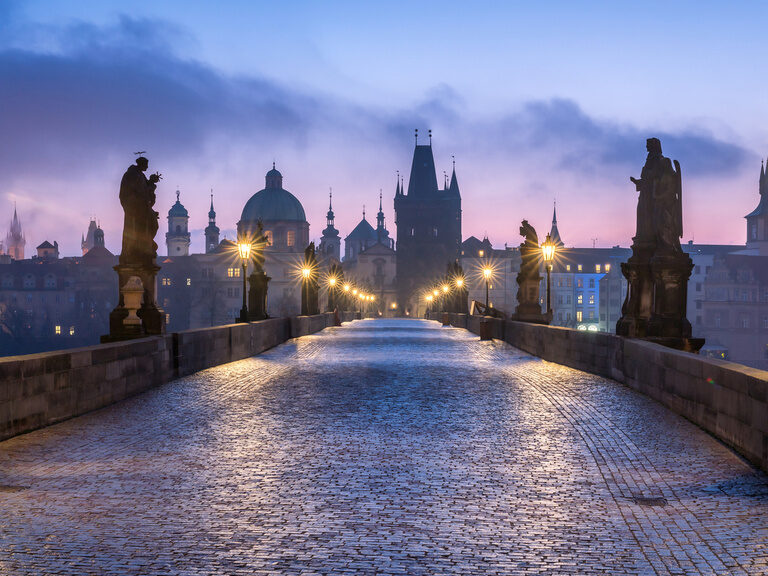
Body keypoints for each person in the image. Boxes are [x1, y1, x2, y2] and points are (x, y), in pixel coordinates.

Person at [119, 156, 161, 266]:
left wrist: (151, 182)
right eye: (146, 165)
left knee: (153, 225)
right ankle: (139, 250)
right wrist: (150, 186)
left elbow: (145, 190)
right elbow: (137, 192)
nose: (147, 167)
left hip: (141, 208)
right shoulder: (132, 174)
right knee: (142, 228)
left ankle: (145, 247)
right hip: (135, 209)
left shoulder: (140, 175)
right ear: (141, 164)